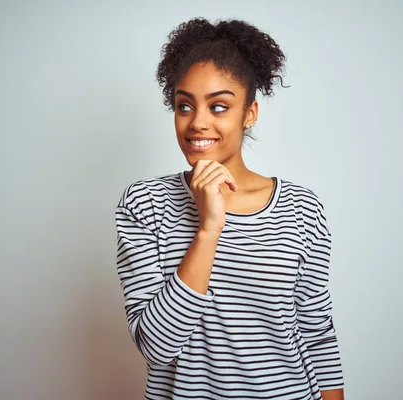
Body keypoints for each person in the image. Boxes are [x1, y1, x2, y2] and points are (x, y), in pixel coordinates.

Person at [115, 18, 345, 400]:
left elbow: (316, 331)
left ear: (249, 113)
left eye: (218, 106)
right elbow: (156, 347)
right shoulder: (144, 205)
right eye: (184, 105)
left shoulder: (302, 208)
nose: (197, 122)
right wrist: (208, 229)